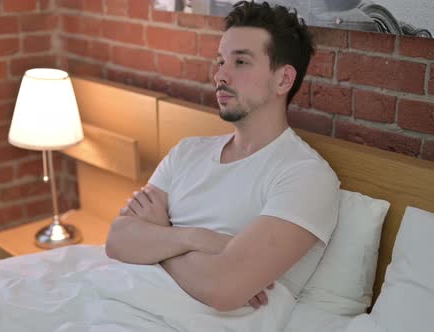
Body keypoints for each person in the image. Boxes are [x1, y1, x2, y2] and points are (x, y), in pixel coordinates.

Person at [105, 1, 340, 313]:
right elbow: (118, 239)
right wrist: (197, 238)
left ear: (283, 80)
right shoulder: (187, 151)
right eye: (220, 62)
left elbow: (222, 289)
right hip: (120, 298)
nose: (220, 76)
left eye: (240, 62)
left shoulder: (304, 175)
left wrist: (160, 235)